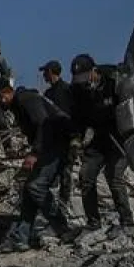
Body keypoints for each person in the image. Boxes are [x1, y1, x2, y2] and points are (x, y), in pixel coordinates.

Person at [0, 83, 79, 251]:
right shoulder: (19, 105)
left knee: (36, 186)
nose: (0, 103)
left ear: (7, 92)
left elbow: (44, 123)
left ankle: (63, 228)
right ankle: (21, 237)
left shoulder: (25, 98)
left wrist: (35, 153)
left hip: (59, 144)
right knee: (29, 189)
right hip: (51, 145)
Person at [70, 53, 134, 237]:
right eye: (78, 80)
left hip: (119, 136)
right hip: (99, 137)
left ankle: (127, 222)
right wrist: (76, 139)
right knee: (86, 175)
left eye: (85, 77)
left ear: (94, 70)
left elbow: (130, 109)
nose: (83, 82)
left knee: (114, 176)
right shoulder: (78, 91)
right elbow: (77, 118)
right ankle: (93, 223)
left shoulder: (114, 80)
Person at [40, 60, 77, 211]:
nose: (43, 76)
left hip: (67, 138)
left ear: (50, 72)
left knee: (65, 173)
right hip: (52, 140)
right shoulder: (48, 93)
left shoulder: (67, 90)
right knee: (51, 173)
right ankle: (52, 206)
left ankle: (63, 205)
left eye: (45, 72)